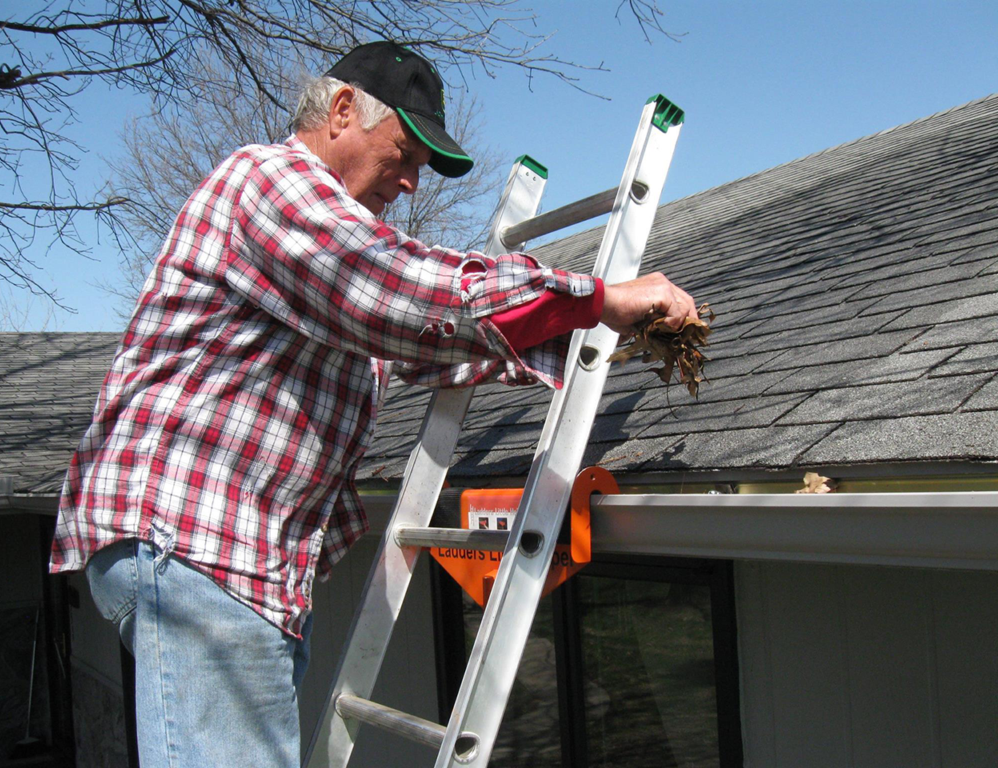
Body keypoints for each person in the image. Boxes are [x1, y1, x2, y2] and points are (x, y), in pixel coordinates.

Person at [50, 41, 697, 767]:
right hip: (198, 539)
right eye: (407, 152)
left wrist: (584, 330)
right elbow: (395, 292)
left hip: (235, 557)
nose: (414, 182)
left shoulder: (315, 256)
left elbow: (419, 343)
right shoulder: (270, 181)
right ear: (342, 110)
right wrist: (599, 298)